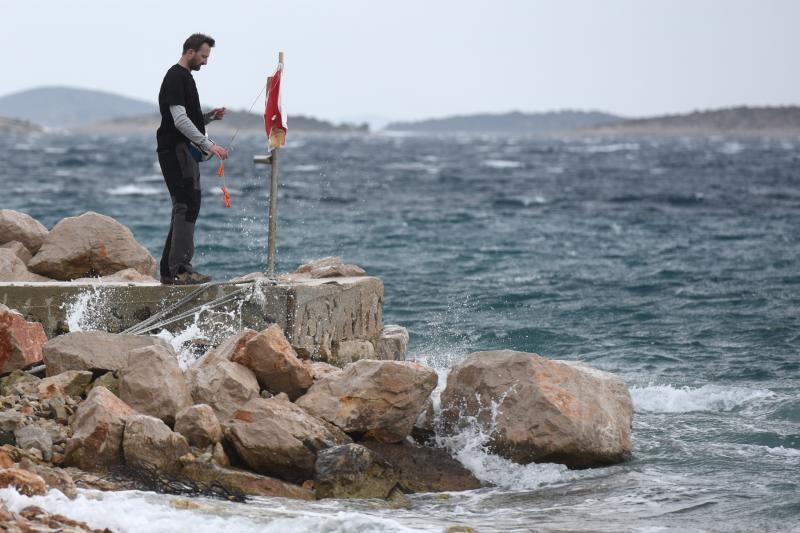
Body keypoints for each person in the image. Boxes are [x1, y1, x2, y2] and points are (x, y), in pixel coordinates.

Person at [156, 33, 228, 285]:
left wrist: (208, 117)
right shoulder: (176, 76)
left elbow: (188, 117)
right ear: (190, 52)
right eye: (203, 56)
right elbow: (179, 120)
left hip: (182, 150)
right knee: (186, 205)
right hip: (176, 150)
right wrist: (210, 144)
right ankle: (180, 270)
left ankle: (169, 270)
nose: (206, 62)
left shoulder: (185, 77)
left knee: (186, 205)